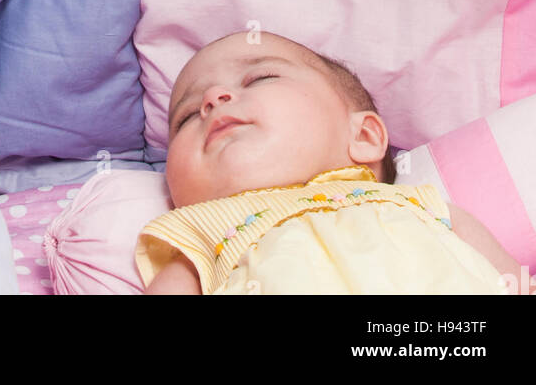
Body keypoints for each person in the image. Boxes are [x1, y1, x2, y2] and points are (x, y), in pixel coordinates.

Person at [136, 30, 521, 295]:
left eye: (259, 79)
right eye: (185, 117)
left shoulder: (423, 206)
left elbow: (511, 282)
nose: (214, 99)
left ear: (363, 137)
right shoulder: (199, 237)